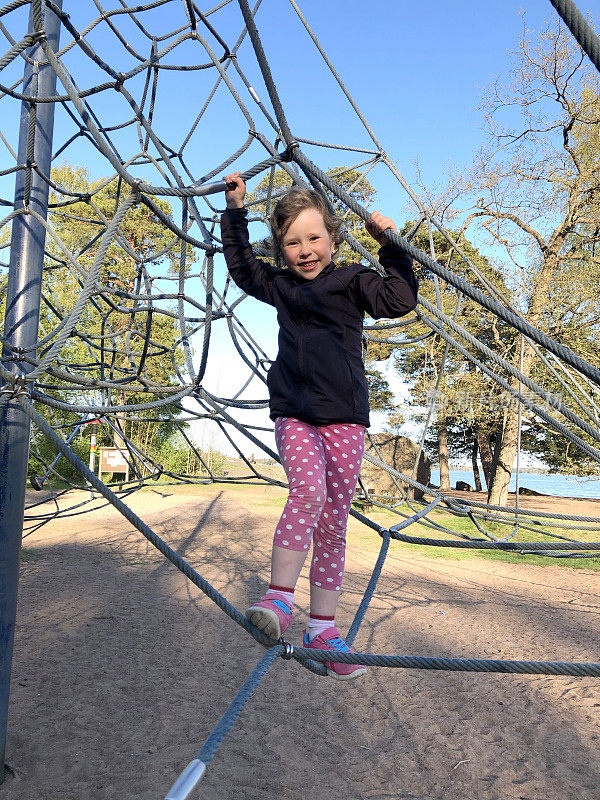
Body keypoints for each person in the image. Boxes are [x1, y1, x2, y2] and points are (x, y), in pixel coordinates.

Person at [221, 172, 418, 679]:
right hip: (294, 413)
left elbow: (400, 300)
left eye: (314, 238)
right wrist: (236, 210)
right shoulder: (281, 286)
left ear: (332, 237)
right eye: (292, 242)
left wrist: (391, 248)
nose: (305, 250)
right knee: (307, 493)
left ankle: (323, 630)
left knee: (334, 522)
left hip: (346, 418)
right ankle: (279, 600)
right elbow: (243, 269)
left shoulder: (352, 280)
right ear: (281, 248)